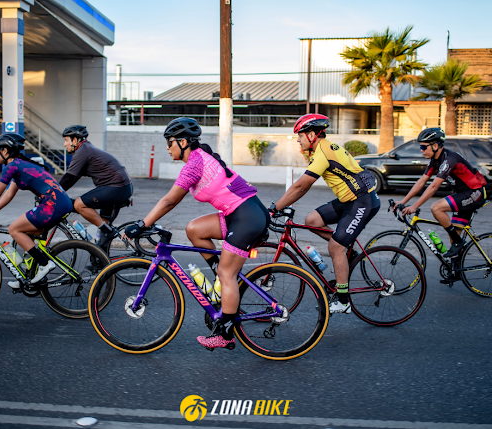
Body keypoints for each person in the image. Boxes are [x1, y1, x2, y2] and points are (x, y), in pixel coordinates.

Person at [124, 117, 270, 350]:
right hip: (238, 213)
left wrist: (142, 224)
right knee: (194, 229)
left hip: (247, 216)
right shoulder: (197, 159)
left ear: (182, 142)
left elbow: (169, 201)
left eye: (169, 142)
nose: (167, 147)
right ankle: (219, 284)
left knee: (227, 273)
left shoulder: (195, 163)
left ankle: (225, 335)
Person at [269, 113, 380, 314]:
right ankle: (350, 253)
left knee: (335, 247)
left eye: (300, 135)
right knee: (312, 220)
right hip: (350, 199)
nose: (298, 139)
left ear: (312, 135)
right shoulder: (322, 148)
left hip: (363, 201)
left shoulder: (323, 153)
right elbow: (301, 187)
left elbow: (302, 186)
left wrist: (275, 207)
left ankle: (344, 301)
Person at [0, 133, 73, 287]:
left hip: (52, 204)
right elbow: (8, 194)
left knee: (14, 229)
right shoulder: (20, 165)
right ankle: (29, 277)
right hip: (62, 202)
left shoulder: (12, 166)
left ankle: (45, 264)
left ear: (5, 150)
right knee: (28, 234)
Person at [394, 127, 487, 259]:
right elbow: (421, 182)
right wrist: (403, 201)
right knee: (453, 235)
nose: (421, 150)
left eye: (423, 147)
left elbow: (433, 187)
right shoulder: (435, 160)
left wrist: (414, 206)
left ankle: (459, 243)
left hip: (474, 193)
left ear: (436, 145)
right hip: (464, 193)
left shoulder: (449, 159)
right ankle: (455, 270)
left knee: (436, 207)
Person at [59, 125, 133, 249]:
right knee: (103, 228)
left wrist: (51, 192)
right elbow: (73, 178)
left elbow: (69, 178)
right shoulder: (86, 149)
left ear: (75, 140)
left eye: (66, 140)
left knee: (79, 204)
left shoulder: (83, 151)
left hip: (116, 187)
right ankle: (100, 262)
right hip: (120, 187)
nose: (64, 144)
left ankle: (109, 232)